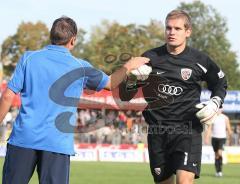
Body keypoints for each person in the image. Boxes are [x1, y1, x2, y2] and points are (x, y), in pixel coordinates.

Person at [0, 16, 149, 184]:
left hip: (23, 139)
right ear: (73, 40)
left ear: (51, 36)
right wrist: (129, 65)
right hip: (56, 143)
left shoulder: (29, 58)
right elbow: (111, 83)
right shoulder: (80, 66)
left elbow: (7, 96)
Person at [119, 10, 227, 184]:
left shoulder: (200, 60)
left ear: (188, 32)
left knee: (184, 182)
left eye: (177, 28)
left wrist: (215, 102)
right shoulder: (150, 57)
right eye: (168, 28)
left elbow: (220, 82)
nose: (172, 32)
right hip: (158, 132)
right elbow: (125, 93)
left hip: (187, 131)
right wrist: (133, 78)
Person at [205, 109, 232, 177]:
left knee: (219, 153)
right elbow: (209, 129)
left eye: (220, 109)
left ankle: (220, 171)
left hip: (222, 138)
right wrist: (207, 138)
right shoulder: (213, 118)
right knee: (216, 155)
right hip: (214, 138)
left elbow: (229, 128)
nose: (218, 110)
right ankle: (218, 171)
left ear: (222, 109)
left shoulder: (225, 118)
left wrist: (230, 138)